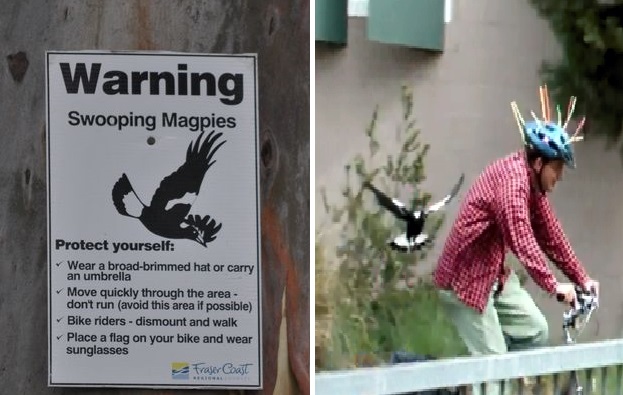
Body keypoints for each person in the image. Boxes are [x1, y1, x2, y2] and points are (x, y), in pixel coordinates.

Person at [432, 85, 599, 395]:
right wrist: (554, 286)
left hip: (492, 276)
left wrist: (582, 278)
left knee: (535, 332)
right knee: (496, 374)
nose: (559, 177)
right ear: (539, 164)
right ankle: (479, 381)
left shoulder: (532, 185)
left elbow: (551, 235)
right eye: (557, 169)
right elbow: (523, 241)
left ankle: (475, 380)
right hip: (464, 283)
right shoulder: (512, 185)